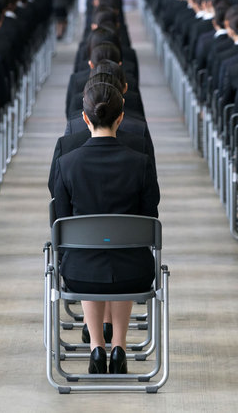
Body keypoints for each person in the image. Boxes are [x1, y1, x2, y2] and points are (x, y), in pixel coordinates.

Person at [53, 81, 160, 374]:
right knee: (124, 249)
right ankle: (120, 349)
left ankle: (97, 348)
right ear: (121, 117)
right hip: (134, 274)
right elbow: (150, 218)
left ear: (85, 118)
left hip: (79, 274)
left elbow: (60, 225)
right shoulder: (140, 163)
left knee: (85, 250)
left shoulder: (67, 163)